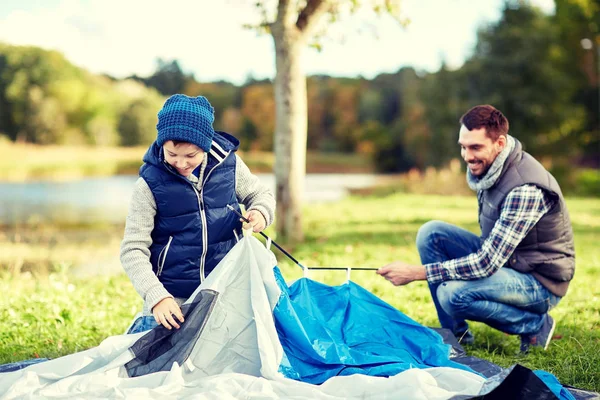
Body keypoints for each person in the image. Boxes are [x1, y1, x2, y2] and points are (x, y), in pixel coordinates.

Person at [377, 105, 575, 353]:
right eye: (463, 146)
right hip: (511, 260)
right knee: (431, 233)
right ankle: (455, 337)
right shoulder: (491, 167)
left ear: (500, 143)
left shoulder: (525, 187)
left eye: (475, 147)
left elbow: (486, 263)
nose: (467, 156)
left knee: (452, 294)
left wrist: (416, 273)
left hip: (540, 281)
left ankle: (535, 324)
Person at [121, 94, 275, 334]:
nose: (181, 163)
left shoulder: (229, 166)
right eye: (172, 155)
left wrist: (260, 213)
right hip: (173, 298)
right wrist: (156, 297)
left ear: (205, 145)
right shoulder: (149, 185)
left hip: (227, 289)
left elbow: (261, 195)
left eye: (190, 156)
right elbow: (133, 250)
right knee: (150, 363)